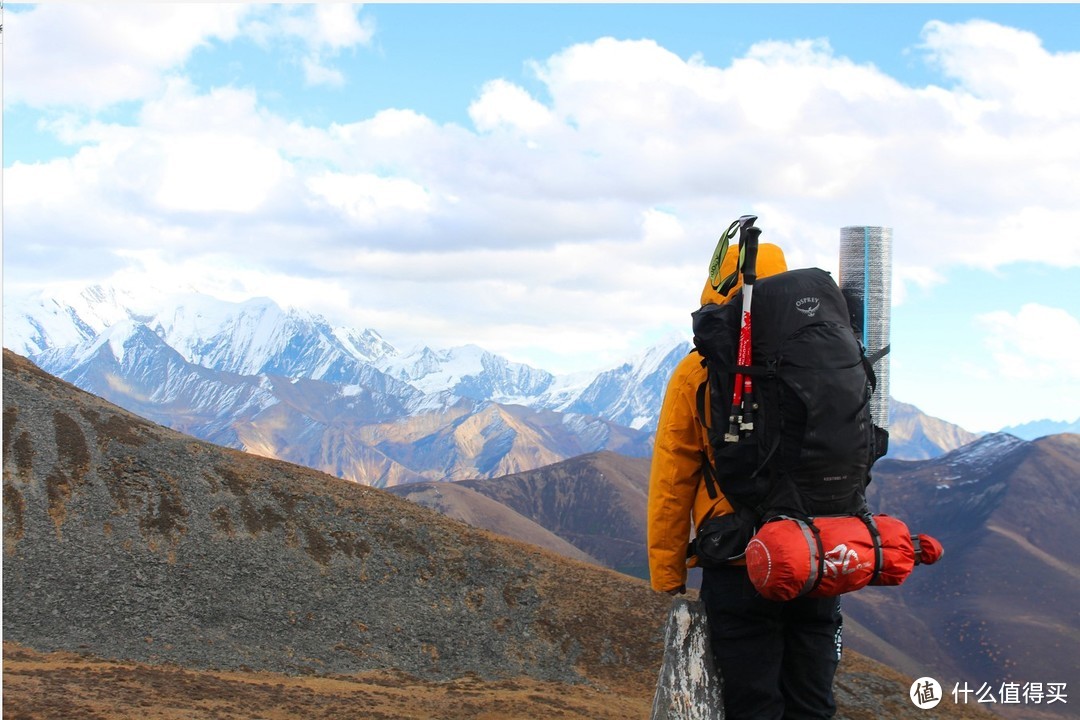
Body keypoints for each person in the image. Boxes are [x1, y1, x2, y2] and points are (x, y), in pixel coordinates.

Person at [647, 240, 843, 720]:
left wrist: (668, 572)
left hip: (742, 559)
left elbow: (674, 477)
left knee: (753, 705)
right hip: (819, 552)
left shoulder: (700, 369)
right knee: (812, 702)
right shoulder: (828, 356)